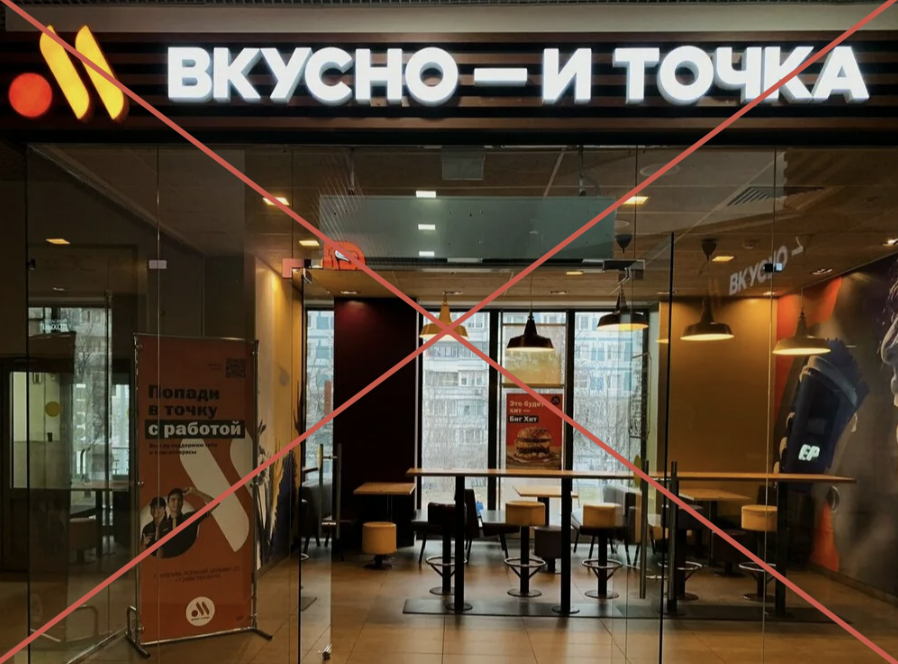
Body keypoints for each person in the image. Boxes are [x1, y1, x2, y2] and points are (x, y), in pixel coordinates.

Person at [158, 487, 217, 559]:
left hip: (192, 561)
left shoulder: (190, 518)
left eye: (179, 500)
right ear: (168, 504)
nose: (176, 502)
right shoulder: (162, 526)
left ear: (182, 503)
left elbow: (214, 503)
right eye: (173, 500)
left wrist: (194, 491)